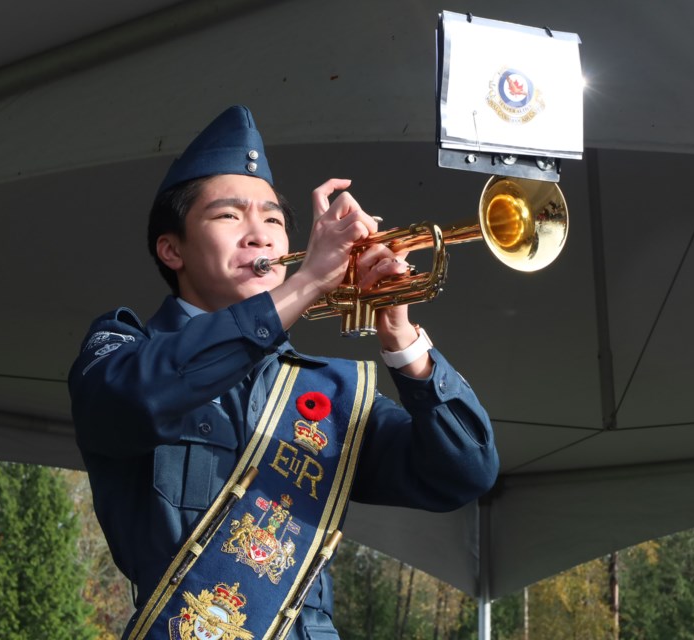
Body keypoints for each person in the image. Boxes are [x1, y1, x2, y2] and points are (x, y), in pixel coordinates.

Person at [68, 105, 500, 640]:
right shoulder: (124, 349)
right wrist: (306, 284)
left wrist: (400, 334)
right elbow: (131, 401)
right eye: (229, 216)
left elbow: (465, 473)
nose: (260, 236)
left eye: (273, 220)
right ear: (170, 249)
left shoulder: (332, 390)